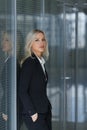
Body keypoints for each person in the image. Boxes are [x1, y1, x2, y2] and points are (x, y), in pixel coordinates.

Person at [19, 29, 52, 130]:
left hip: (44, 110)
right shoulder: (29, 63)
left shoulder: (40, 62)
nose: (41, 43)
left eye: (43, 39)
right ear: (30, 43)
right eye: (37, 40)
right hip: (35, 113)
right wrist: (32, 112)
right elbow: (22, 90)